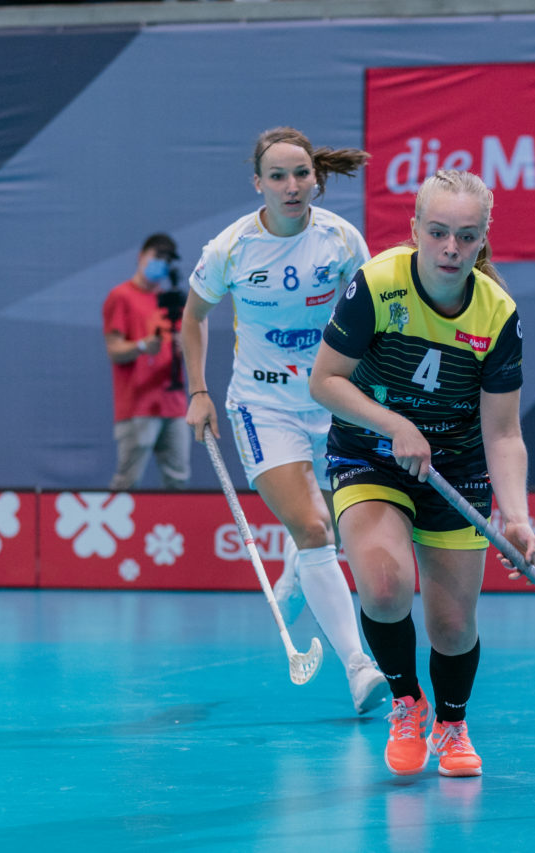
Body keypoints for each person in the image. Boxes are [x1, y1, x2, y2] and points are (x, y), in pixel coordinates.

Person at [309, 170, 535, 778]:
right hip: (370, 455)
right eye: (437, 233)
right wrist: (393, 424)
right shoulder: (378, 285)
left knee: (452, 625)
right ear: (415, 230)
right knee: (384, 586)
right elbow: (324, 381)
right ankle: (407, 703)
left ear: (483, 241)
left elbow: (504, 432)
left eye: (466, 236)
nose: (450, 249)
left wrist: (516, 516)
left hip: (455, 469)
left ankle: (453, 724)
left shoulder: (497, 315)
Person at [182, 127, 390, 715]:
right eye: (278, 176)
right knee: (315, 526)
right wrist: (198, 391)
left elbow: (370, 315)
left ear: (316, 179)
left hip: (334, 398)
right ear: (259, 184)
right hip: (261, 404)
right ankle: (358, 667)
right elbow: (192, 319)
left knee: (331, 520)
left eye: (301, 174)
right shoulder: (231, 248)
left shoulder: (342, 239)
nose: (292, 186)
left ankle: (299, 572)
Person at [103, 232, 190, 490]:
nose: (160, 264)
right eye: (156, 256)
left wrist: (185, 345)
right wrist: (142, 346)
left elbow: (190, 346)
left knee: (179, 480)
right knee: (128, 481)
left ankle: (177, 528)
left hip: (173, 405)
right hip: (137, 404)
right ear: (141, 256)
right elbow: (114, 349)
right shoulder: (121, 296)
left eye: (166, 259)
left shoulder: (173, 300)